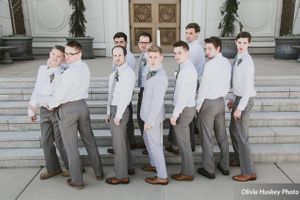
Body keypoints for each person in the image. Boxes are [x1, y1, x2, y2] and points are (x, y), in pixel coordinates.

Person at [48, 40, 103, 190]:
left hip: (68, 109)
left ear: (79, 54)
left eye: (69, 54)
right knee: (89, 140)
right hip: (83, 107)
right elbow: (67, 67)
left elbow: (59, 96)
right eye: (65, 53)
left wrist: (51, 105)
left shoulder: (70, 72)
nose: (66, 56)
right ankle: (99, 172)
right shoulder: (84, 66)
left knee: (71, 146)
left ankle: (77, 181)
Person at [28, 45, 69, 180]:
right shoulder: (42, 69)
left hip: (57, 109)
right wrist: (32, 109)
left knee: (60, 140)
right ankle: (53, 168)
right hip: (44, 110)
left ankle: (71, 166)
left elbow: (59, 90)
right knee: (46, 141)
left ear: (63, 59)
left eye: (59, 56)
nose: (55, 58)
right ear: (49, 54)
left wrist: (55, 68)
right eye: (53, 55)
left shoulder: (64, 71)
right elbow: (37, 88)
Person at [166, 23, 205, 154]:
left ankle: (184, 145)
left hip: (193, 82)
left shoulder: (194, 49)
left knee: (183, 116)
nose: (188, 35)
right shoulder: (191, 48)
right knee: (185, 118)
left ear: (197, 33)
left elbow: (187, 66)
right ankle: (180, 144)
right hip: (191, 80)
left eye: (191, 33)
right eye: (186, 33)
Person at [196, 36, 231, 179]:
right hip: (220, 103)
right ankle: (225, 166)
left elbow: (204, 88)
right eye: (205, 48)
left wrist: (198, 106)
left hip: (209, 103)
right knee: (222, 136)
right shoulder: (227, 63)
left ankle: (209, 169)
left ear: (218, 49)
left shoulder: (210, 65)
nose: (207, 51)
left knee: (206, 137)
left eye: (210, 48)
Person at [228, 31, 257, 182]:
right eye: (239, 42)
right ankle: (240, 159)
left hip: (245, 100)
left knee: (242, 136)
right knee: (233, 130)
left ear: (249, 44)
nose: (241, 45)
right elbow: (235, 81)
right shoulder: (238, 57)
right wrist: (232, 97)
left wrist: (240, 108)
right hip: (238, 98)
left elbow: (247, 88)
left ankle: (248, 172)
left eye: (245, 43)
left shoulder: (248, 62)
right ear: (235, 42)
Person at [105, 46, 136, 185]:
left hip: (120, 110)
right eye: (115, 55)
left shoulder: (128, 73)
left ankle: (121, 175)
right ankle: (128, 167)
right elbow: (110, 95)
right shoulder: (114, 74)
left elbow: (125, 96)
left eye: (120, 55)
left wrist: (118, 115)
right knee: (123, 141)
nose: (117, 58)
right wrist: (107, 112)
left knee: (118, 144)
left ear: (125, 56)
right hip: (113, 109)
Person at [140, 46, 169, 185]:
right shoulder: (150, 71)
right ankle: (153, 164)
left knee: (156, 146)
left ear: (161, 57)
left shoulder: (160, 76)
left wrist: (150, 121)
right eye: (150, 57)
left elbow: (157, 102)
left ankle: (162, 176)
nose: (152, 60)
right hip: (146, 114)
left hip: (153, 117)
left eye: (155, 57)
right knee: (148, 141)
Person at [170, 41, 197, 181]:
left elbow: (184, 95)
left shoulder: (188, 69)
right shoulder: (184, 67)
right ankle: (187, 171)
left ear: (187, 53)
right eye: (175, 53)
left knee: (184, 143)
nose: (177, 56)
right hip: (184, 108)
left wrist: (175, 114)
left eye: (180, 53)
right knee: (184, 143)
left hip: (184, 109)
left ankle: (187, 173)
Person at [107, 32, 137, 154]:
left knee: (126, 126)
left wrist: (118, 114)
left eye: (121, 42)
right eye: (117, 42)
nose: (119, 44)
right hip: (115, 100)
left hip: (123, 99)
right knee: (122, 132)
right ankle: (123, 147)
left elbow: (126, 89)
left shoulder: (128, 59)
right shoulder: (116, 57)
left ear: (126, 42)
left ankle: (124, 147)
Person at [136, 32, 152, 153]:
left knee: (144, 118)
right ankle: (146, 141)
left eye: (146, 42)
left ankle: (149, 145)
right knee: (140, 117)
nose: (143, 45)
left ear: (150, 43)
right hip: (142, 89)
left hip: (148, 91)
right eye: (141, 42)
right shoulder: (142, 56)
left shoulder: (151, 58)